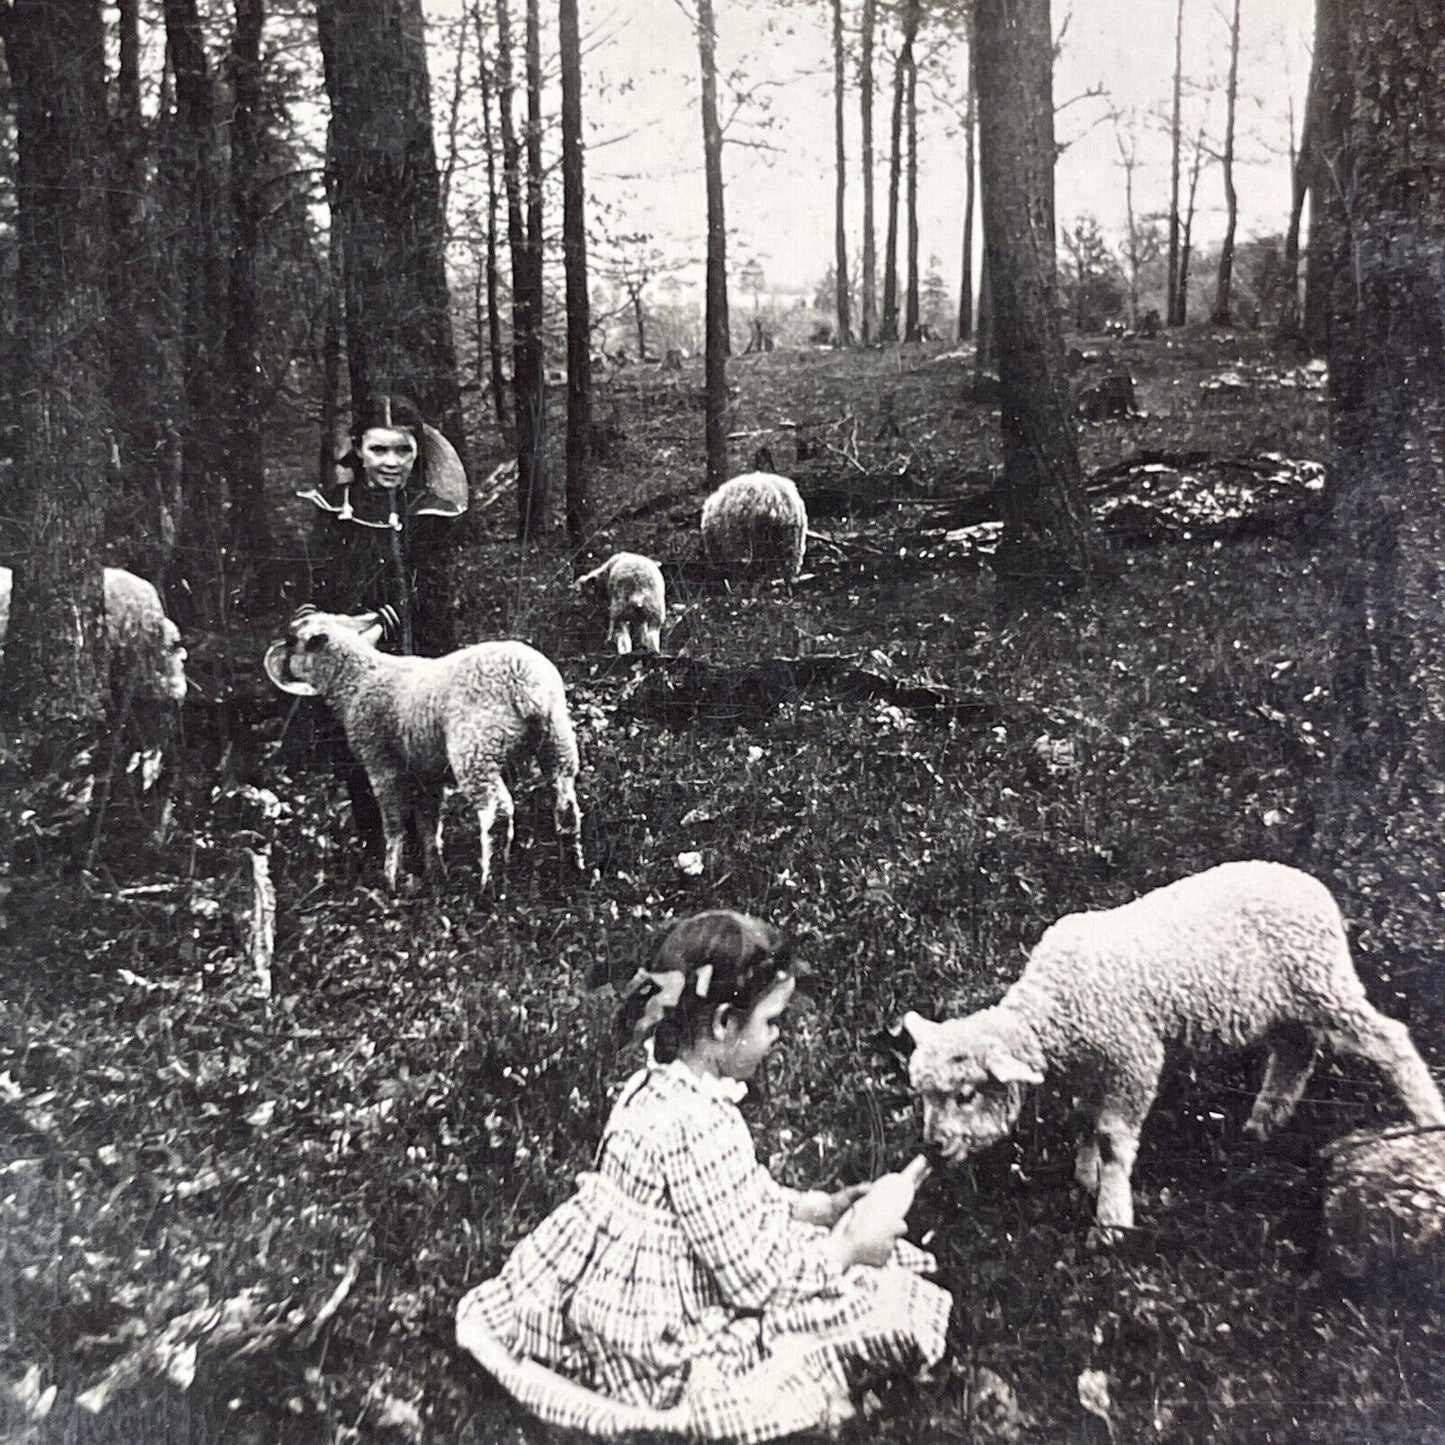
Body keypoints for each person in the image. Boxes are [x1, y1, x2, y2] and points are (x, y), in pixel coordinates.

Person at [456, 911, 952, 1442]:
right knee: (850, 1296)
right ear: (722, 1025)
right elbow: (755, 1279)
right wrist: (847, 1246)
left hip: (619, 1274)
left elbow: (732, 1196)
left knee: (836, 1257)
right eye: (770, 1022)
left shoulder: (656, 1087)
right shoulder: (701, 1126)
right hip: (649, 1313)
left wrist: (815, 1209)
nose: (778, 1036)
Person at [299, 392, 468, 656]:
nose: (392, 462)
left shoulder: (430, 512)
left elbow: (431, 594)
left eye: (403, 450)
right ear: (358, 449)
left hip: (409, 644)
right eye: (378, 450)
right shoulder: (332, 505)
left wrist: (376, 630)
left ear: (417, 451)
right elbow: (315, 581)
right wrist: (312, 623)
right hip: (335, 639)